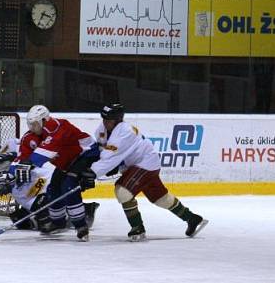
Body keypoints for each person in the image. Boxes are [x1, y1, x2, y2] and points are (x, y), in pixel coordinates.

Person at [89, 103, 208, 241]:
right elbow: (102, 151)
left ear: (118, 120)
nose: (105, 122)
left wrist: (92, 172)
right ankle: (193, 218)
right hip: (143, 165)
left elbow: (109, 157)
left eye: (108, 120)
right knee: (161, 199)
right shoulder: (102, 129)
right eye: (103, 119)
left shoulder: (125, 131)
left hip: (144, 164)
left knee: (123, 191)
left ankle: (137, 228)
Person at [13, 105, 99, 241]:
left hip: (85, 155)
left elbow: (43, 154)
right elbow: (21, 158)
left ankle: (81, 226)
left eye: (35, 124)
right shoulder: (32, 136)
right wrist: (9, 175)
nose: (32, 128)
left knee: (69, 187)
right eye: (30, 124)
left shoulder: (59, 127)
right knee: (53, 188)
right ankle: (58, 222)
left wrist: (28, 163)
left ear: (44, 120)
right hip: (66, 162)